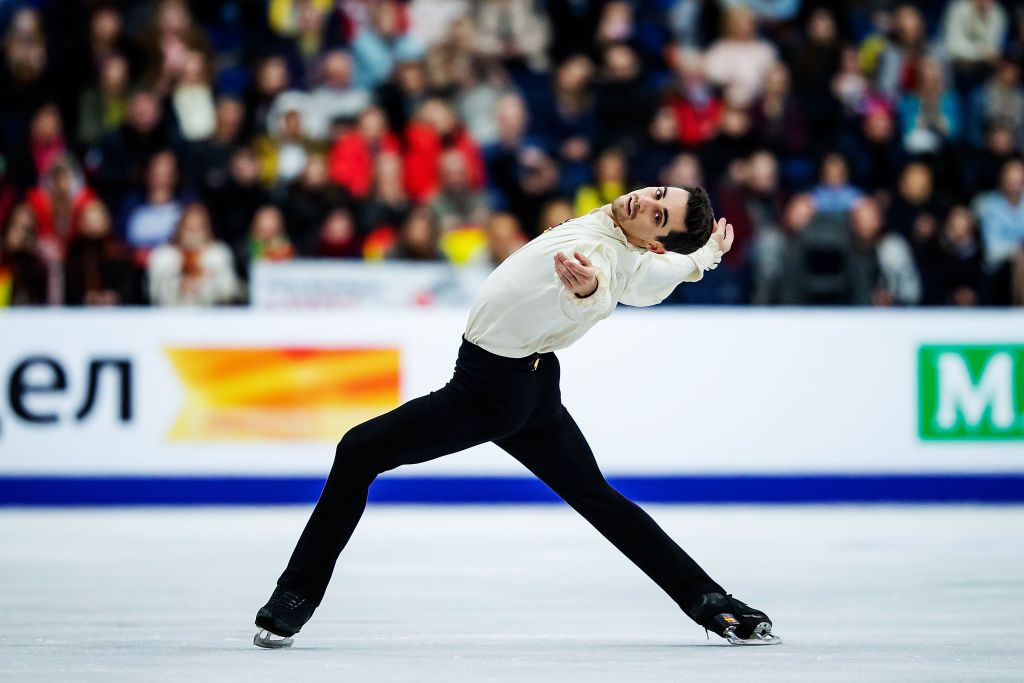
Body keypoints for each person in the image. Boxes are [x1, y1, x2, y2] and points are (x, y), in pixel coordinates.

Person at [254, 185, 780, 648]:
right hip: (533, 388)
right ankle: (709, 600)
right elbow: (664, 270)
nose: (648, 201)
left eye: (659, 215)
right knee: (597, 498)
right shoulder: (630, 240)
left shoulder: (602, 255)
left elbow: (598, 295)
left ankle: (294, 597)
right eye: (659, 194)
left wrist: (587, 292)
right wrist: (705, 255)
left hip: (488, 394)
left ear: (651, 238)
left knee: (357, 450)